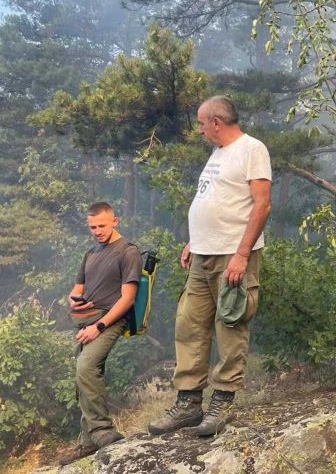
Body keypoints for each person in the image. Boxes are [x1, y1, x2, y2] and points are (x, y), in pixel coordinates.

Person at [149, 95, 272, 437]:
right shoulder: (218, 153)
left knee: (230, 324)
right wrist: (195, 240)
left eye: (202, 124)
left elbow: (262, 206)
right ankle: (188, 402)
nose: (200, 130)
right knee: (189, 324)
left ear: (217, 122)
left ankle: (223, 401)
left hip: (231, 256)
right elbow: (215, 200)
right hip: (203, 255)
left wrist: (242, 254)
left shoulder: (252, 149)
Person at [60, 202, 141, 465]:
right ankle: (87, 442)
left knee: (86, 366)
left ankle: (102, 432)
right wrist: (73, 300)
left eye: (102, 226)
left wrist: (100, 327)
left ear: (115, 221)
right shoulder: (90, 254)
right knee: (82, 377)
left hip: (109, 320)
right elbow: (76, 290)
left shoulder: (128, 252)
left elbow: (128, 299)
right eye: (92, 227)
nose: (97, 231)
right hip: (85, 322)